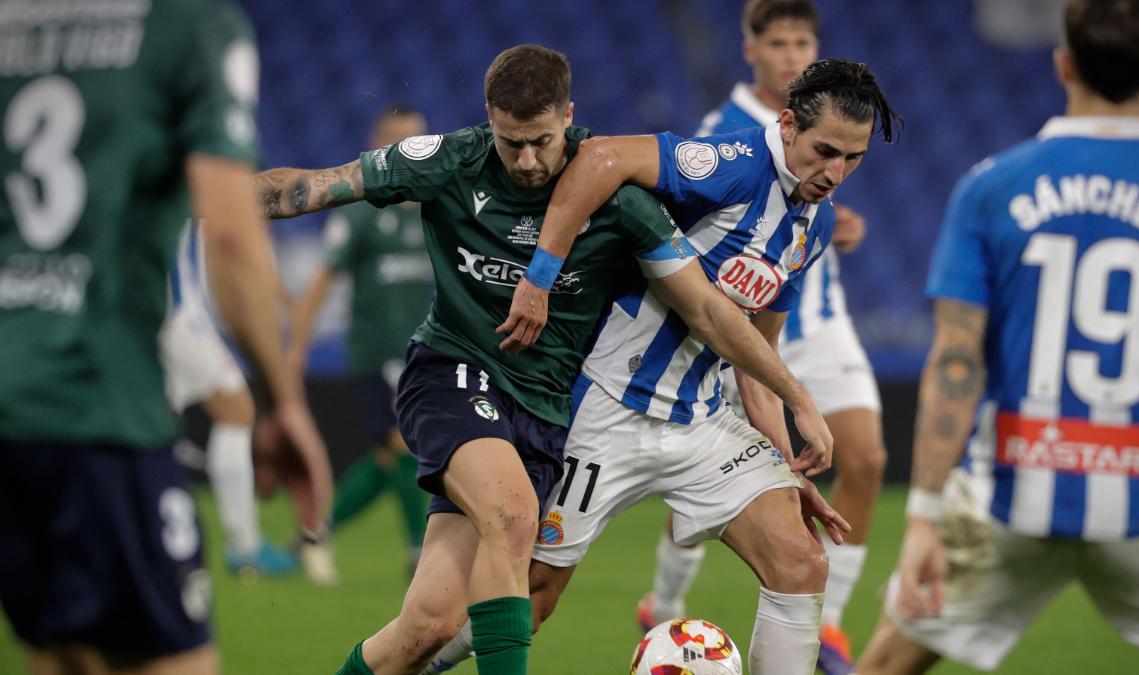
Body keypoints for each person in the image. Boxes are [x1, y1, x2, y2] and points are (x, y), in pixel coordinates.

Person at [253, 44, 840, 675]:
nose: (528, 161)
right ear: (488, 121)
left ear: (569, 117)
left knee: (426, 627)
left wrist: (795, 407)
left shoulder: (621, 204)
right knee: (511, 514)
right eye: (511, 143)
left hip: (546, 407)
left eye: (541, 141)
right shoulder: (450, 160)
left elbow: (709, 310)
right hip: (456, 369)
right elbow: (311, 186)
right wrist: (210, 197)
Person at [487, 57, 898, 675]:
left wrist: (788, 470)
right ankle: (408, 655)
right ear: (787, 125)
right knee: (532, 597)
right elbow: (599, 158)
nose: (835, 172)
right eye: (824, 151)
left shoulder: (815, 222)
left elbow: (756, 358)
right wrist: (539, 277)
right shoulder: (729, 165)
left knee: (801, 560)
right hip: (608, 406)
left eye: (853, 159)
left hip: (701, 423)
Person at [854, 1, 1139, 672]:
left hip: (1008, 497)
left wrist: (923, 516)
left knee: (883, 665)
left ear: (1062, 65)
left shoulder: (992, 187)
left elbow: (955, 357)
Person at [0, 1, 329, 673]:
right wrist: (285, 399)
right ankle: (243, 543)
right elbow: (232, 232)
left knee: (62, 653)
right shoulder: (187, 24)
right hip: (97, 391)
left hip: (12, 385)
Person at [640, 4, 886, 673]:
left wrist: (840, 228)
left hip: (816, 322)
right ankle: (662, 600)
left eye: (801, 41)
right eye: (777, 43)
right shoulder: (724, 135)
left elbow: (810, 222)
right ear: (751, 51)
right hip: (737, 329)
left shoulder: (834, 125)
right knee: (710, 473)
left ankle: (828, 627)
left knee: (864, 458)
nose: (790, 55)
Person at [290, 105, 434, 579]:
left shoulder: (436, 206)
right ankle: (419, 553)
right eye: (398, 140)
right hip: (377, 350)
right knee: (406, 446)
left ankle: (314, 534)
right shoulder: (361, 212)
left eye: (415, 140)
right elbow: (323, 277)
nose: (408, 151)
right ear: (378, 144)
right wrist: (298, 344)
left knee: (388, 457)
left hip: (427, 350)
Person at [161, 219, 299, 579]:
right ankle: (244, 545)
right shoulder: (186, 167)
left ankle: (143, 536)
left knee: (155, 428)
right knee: (236, 409)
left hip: (154, 315)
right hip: (178, 316)